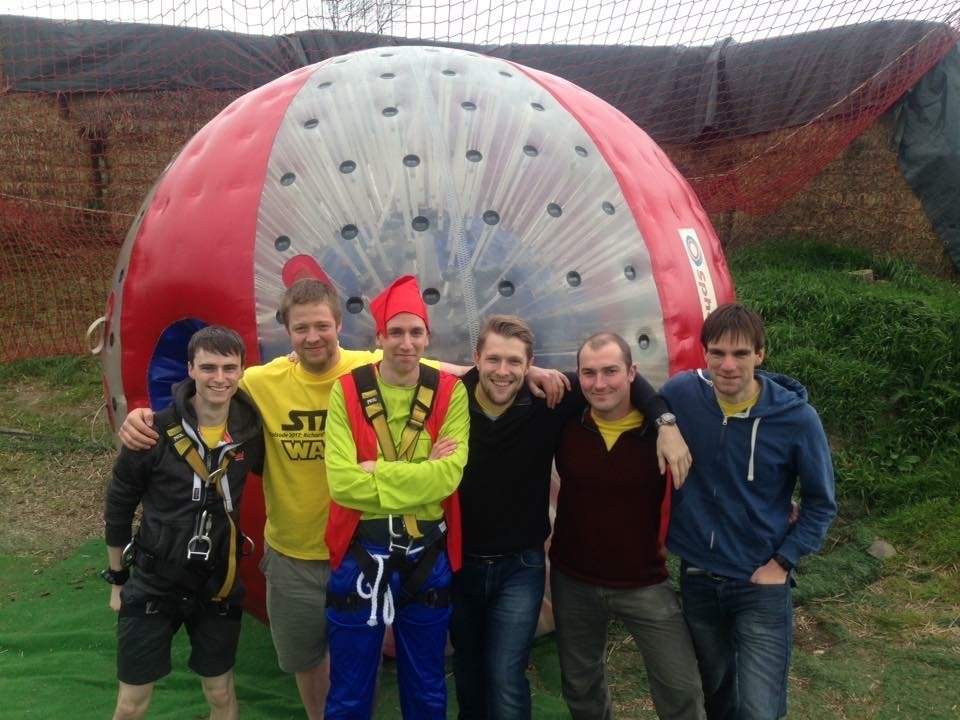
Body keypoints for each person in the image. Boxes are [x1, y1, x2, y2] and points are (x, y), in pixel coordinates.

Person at [117, 278, 381, 719]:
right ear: (287, 332)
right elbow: (203, 392)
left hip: (359, 548)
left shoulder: (371, 368)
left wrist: (512, 371)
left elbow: (442, 373)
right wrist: (144, 416)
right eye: (301, 328)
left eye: (321, 325)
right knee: (305, 657)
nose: (312, 336)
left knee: (359, 658)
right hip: (292, 553)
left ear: (339, 324)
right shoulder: (260, 381)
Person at [450, 316, 693, 720]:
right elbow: (409, 366)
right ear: (476, 359)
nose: (503, 370)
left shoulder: (553, 405)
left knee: (507, 673)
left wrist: (664, 422)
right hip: (482, 564)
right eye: (493, 359)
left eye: (515, 361)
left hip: (537, 568)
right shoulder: (454, 399)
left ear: (530, 363)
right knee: (476, 669)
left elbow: (624, 382)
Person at [660, 302, 837, 720]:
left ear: (760, 354)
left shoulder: (796, 419)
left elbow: (821, 504)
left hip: (759, 582)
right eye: (718, 352)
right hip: (698, 576)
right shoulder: (683, 393)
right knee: (718, 696)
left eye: (740, 353)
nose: (728, 365)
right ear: (704, 353)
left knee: (759, 708)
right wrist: (665, 423)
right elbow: (639, 394)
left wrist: (782, 563)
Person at [322, 274, 470, 719]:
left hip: (427, 554)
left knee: (426, 684)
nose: (406, 343)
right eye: (396, 332)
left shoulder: (451, 393)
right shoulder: (347, 390)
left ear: (427, 337)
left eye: (415, 332)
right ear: (379, 337)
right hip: (360, 552)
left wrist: (378, 471)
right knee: (349, 688)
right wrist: (420, 471)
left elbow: (447, 479)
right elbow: (342, 484)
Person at [103, 325, 265, 720]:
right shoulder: (151, 431)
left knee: (221, 692)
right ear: (190, 369)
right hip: (155, 581)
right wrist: (118, 579)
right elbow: (119, 504)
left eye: (229, 368)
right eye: (208, 368)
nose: (219, 378)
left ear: (242, 371)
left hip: (217, 583)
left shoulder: (250, 431)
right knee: (130, 704)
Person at [548, 332, 705, 720]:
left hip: (643, 582)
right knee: (581, 686)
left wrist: (665, 422)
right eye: (589, 373)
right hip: (574, 579)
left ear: (632, 372)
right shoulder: (567, 422)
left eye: (611, 371)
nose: (600, 383)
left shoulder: (661, 434)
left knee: (681, 687)